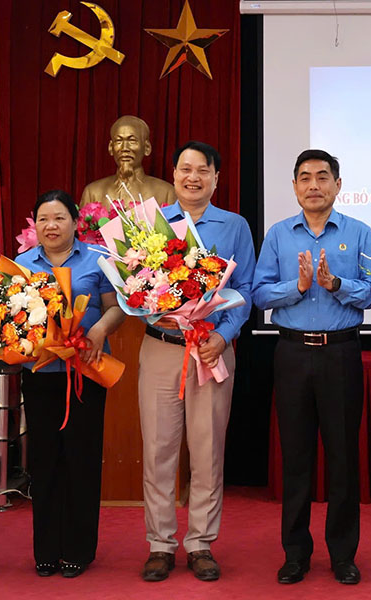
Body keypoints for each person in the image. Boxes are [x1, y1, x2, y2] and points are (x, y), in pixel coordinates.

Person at [253, 149, 371, 586]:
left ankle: (343, 554)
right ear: (293, 187)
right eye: (304, 177)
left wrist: (336, 285)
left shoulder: (360, 232)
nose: (313, 185)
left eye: (322, 177)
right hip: (291, 354)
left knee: (343, 459)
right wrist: (299, 286)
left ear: (337, 185)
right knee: (296, 459)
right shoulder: (278, 235)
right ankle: (296, 553)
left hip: (341, 353)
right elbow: (260, 295)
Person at [138, 141, 255, 583]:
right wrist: (157, 307)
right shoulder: (151, 225)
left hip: (211, 352)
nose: (193, 177)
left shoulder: (235, 225)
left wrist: (223, 337)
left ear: (215, 178)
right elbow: (136, 286)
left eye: (202, 170)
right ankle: (160, 543)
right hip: (162, 347)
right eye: (185, 169)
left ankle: (201, 542)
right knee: (158, 450)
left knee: (207, 452)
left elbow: (245, 292)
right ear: (173, 175)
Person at [15, 190, 126, 578]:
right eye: (43, 218)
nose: (51, 225)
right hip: (41, 375)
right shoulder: (21, 264)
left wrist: (98, 329)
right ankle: (46, 549)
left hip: (86, 371)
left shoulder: (97, 260)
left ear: (75, 222)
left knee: (81, 460)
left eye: (59, 217)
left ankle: (78, 549)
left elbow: (117, 309)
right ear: (35, 224)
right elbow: (11, 317)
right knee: (44, 462)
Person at [80, 115, 175, 208]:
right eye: (119, 141)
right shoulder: (93, 193)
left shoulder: (166, 192)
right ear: (111, 148)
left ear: (147, 148)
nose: (125, 148)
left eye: (132, 141)